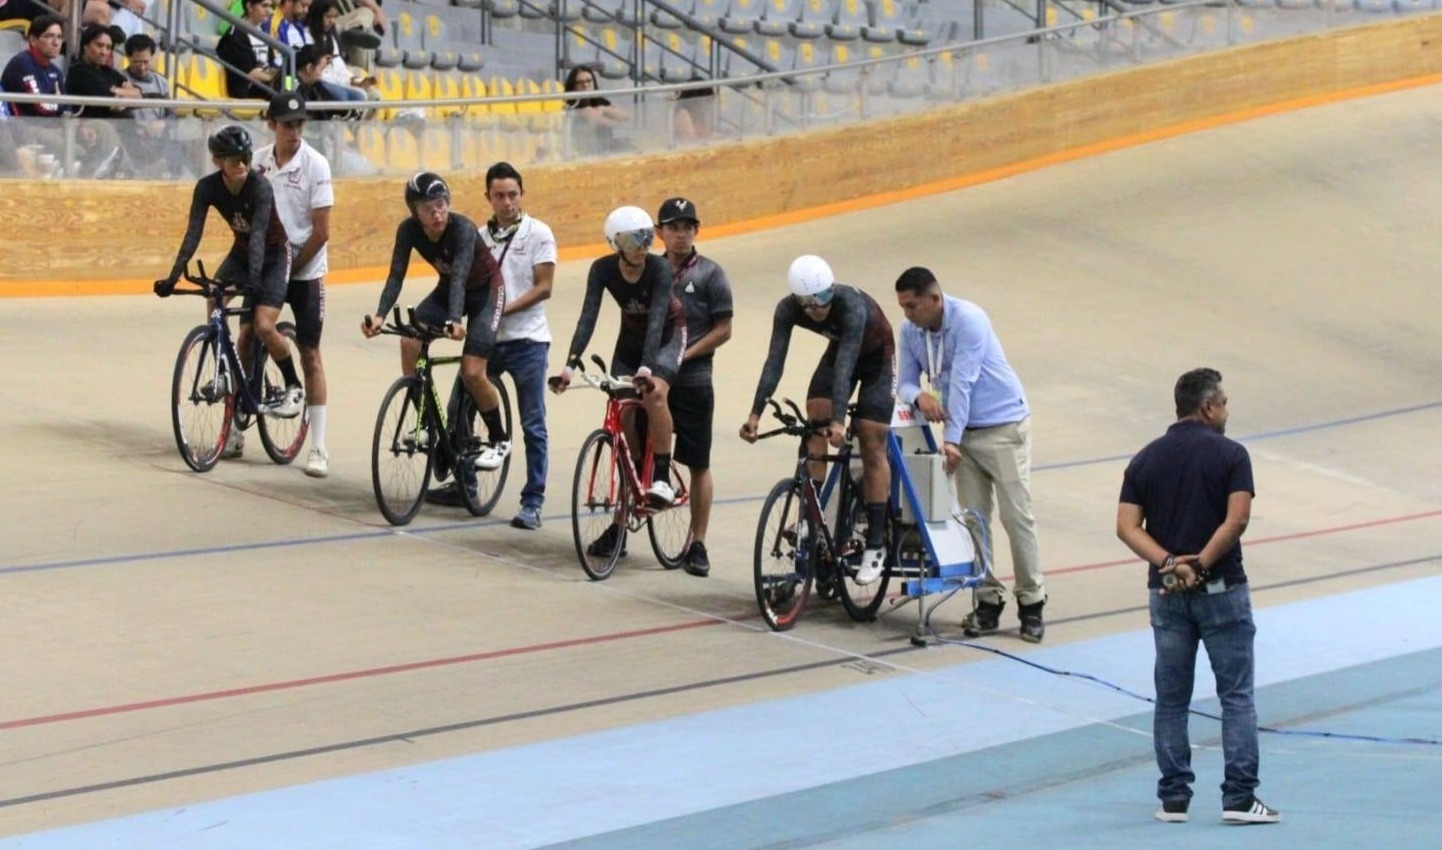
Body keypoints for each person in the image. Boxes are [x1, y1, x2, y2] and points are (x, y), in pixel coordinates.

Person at [1116, 367, 1279, 826]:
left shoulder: (1145, 459)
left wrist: (1170, 563)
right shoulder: (1232, 455)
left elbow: (1126, 526)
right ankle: (1239, 798)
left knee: (1171, 696)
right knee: (1236, 695)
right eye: (1223, 403)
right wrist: (1202, 563)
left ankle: (1173, 798)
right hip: (1222, 588)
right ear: (1207, 407)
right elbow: (1237, 519)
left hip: (1167, 592)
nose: (1227, 410)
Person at [894, 266, 1047, 641]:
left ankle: (1031, 602)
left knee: (1016, 516)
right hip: (962, 436)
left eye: (913, 306)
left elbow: (963, 382)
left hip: (1002, 430)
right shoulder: (910, 331)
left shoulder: (969, 320)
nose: (907, 314)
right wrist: (920, 396)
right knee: (974, 521)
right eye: (903, 307)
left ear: (935, 299)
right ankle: (987, 599)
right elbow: (905, 383)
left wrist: (951, 439)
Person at [739, 255, 893, 586]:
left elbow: (846, 368)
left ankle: (875, 544)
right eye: (808, 303)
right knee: (814, 419)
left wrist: (839, 421)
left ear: (832, 288)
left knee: (871, 440)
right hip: (840, 351)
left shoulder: (851, 306)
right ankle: (814, 515)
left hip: (876, 360)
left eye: (823, 298)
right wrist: (755, 414)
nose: (817, 309)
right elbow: (774, 361)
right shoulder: (787, 309)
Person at [360, 172, 510, 502]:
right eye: (428, 208)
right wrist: (380, 315)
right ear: (415, 212)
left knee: (473, 372)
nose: (437, 213)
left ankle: (500, 438)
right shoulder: (408, 230)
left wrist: (455, 320)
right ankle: (428, 423)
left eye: (441, 204)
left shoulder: (463, 229)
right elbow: (395, 275)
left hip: (485, 293)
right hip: (448, 290)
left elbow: (459, 278)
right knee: (409, 342)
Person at [154, 125, 306, 443]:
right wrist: (173, 276)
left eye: (246, 158)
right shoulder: (207, 188)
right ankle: (225, 371)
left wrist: (254, 281)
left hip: (273, 255)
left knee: (262, 326)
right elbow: (193, 234)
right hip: (242, 253)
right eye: (234, 160)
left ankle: (293, 385)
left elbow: (260, 236)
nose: (242, 165)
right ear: (217, 162)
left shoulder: (260, 187)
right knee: (215, 298)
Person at [551, 205, 685, 554]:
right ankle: (637, 473)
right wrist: (569, 365)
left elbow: (657, 319)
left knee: (654, 394)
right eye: (633, 240)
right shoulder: (602, 270)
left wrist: (647, 368)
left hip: (667, 336)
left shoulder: (659, 268)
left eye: (647, 238)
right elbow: (588, 316)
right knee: (621, 409)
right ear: (615, 243)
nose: (643, 246)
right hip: (630, 341)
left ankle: (661, 477)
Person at [445, 161, 556, 529]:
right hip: (487, 340)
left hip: (528, 341)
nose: (507, 202)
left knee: (533, 424)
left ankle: (533, 503)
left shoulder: (539, 233)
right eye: (499, 196)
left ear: (522, 194)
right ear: (488, 198)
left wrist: (500, 309)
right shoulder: (478, 237)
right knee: (460, 410)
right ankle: (466, 485)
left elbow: (544, 287)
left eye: (512, 195)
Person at [254, 91, 334, 478]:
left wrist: (288, 270)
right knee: (248, 335)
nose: (295, 132)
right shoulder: (258, 162)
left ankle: (318, 447)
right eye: (287, 125)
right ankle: (235, 426)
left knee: (310, 354)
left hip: (306, 269)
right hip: (272, 265)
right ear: (272, 124)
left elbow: (322, 232)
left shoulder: (316, 164)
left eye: (299, 124)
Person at [657, 197, 731, 577]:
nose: (681, 234)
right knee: (636, 453)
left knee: (698, 463)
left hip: (693, 378)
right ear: (660, 233)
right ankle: (620, 525)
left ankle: (698, 542)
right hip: (656, 376)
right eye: (673, 227)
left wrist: (683, 355)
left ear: (696, 230)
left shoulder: (710, 274)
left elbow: (724, 329)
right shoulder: (651, 271)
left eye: (688, 227)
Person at [216, 0, 281, 101]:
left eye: (270, 6)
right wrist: (272, 76)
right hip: (246, 92)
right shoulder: (234, 36)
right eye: (264, 6)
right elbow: (247, 76)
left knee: (293, 85)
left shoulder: (263, 33)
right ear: (250, 6)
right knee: (287, 93)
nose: (270, 11)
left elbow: (270, 66)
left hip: (266, 87)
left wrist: (274, 76)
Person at [562, 65, 628, 157]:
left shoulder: (599, 101)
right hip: (585, 154)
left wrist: (602, 109)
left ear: (594, 82)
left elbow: (625, 116)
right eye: (580, 82)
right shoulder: (573, 106)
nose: (585, 85)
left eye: (588, 81)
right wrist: (606, 113)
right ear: (573, 86)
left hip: (604, 150)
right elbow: (611, 124)